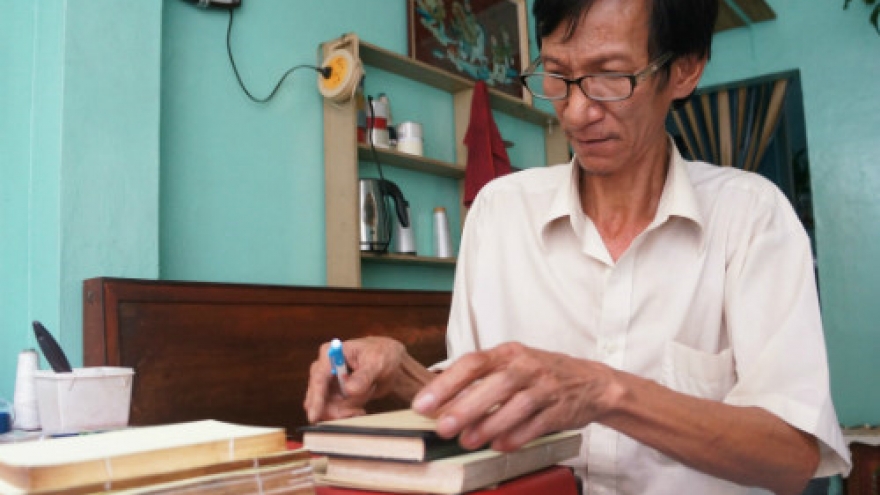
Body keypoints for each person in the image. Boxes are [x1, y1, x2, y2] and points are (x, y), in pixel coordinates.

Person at [304, 0, 851, 493]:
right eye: (558, 76)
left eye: (611, 77)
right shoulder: (500, 212)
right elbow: (479, 412)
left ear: (684, 69)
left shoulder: (751, 216)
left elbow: (791, 456)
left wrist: (604, 392)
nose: (576, 112)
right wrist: (402, 373)